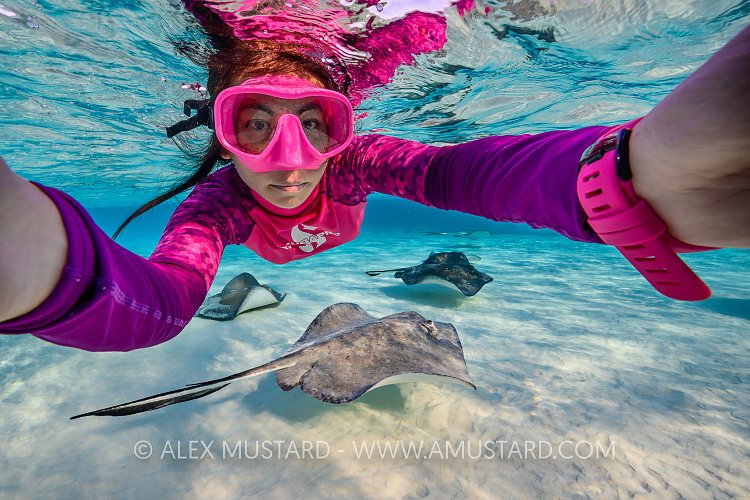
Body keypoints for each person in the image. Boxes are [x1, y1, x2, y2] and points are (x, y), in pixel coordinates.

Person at [0, 5, 748, 351]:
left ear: (341, 126)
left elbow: (458, 173)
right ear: (220, 137)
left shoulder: (359, 163)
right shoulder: (215, 207)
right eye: (254, 125)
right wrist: (39, 270)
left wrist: (628, 175)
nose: (292, 159)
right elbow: (163, 298)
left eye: (315, 123)